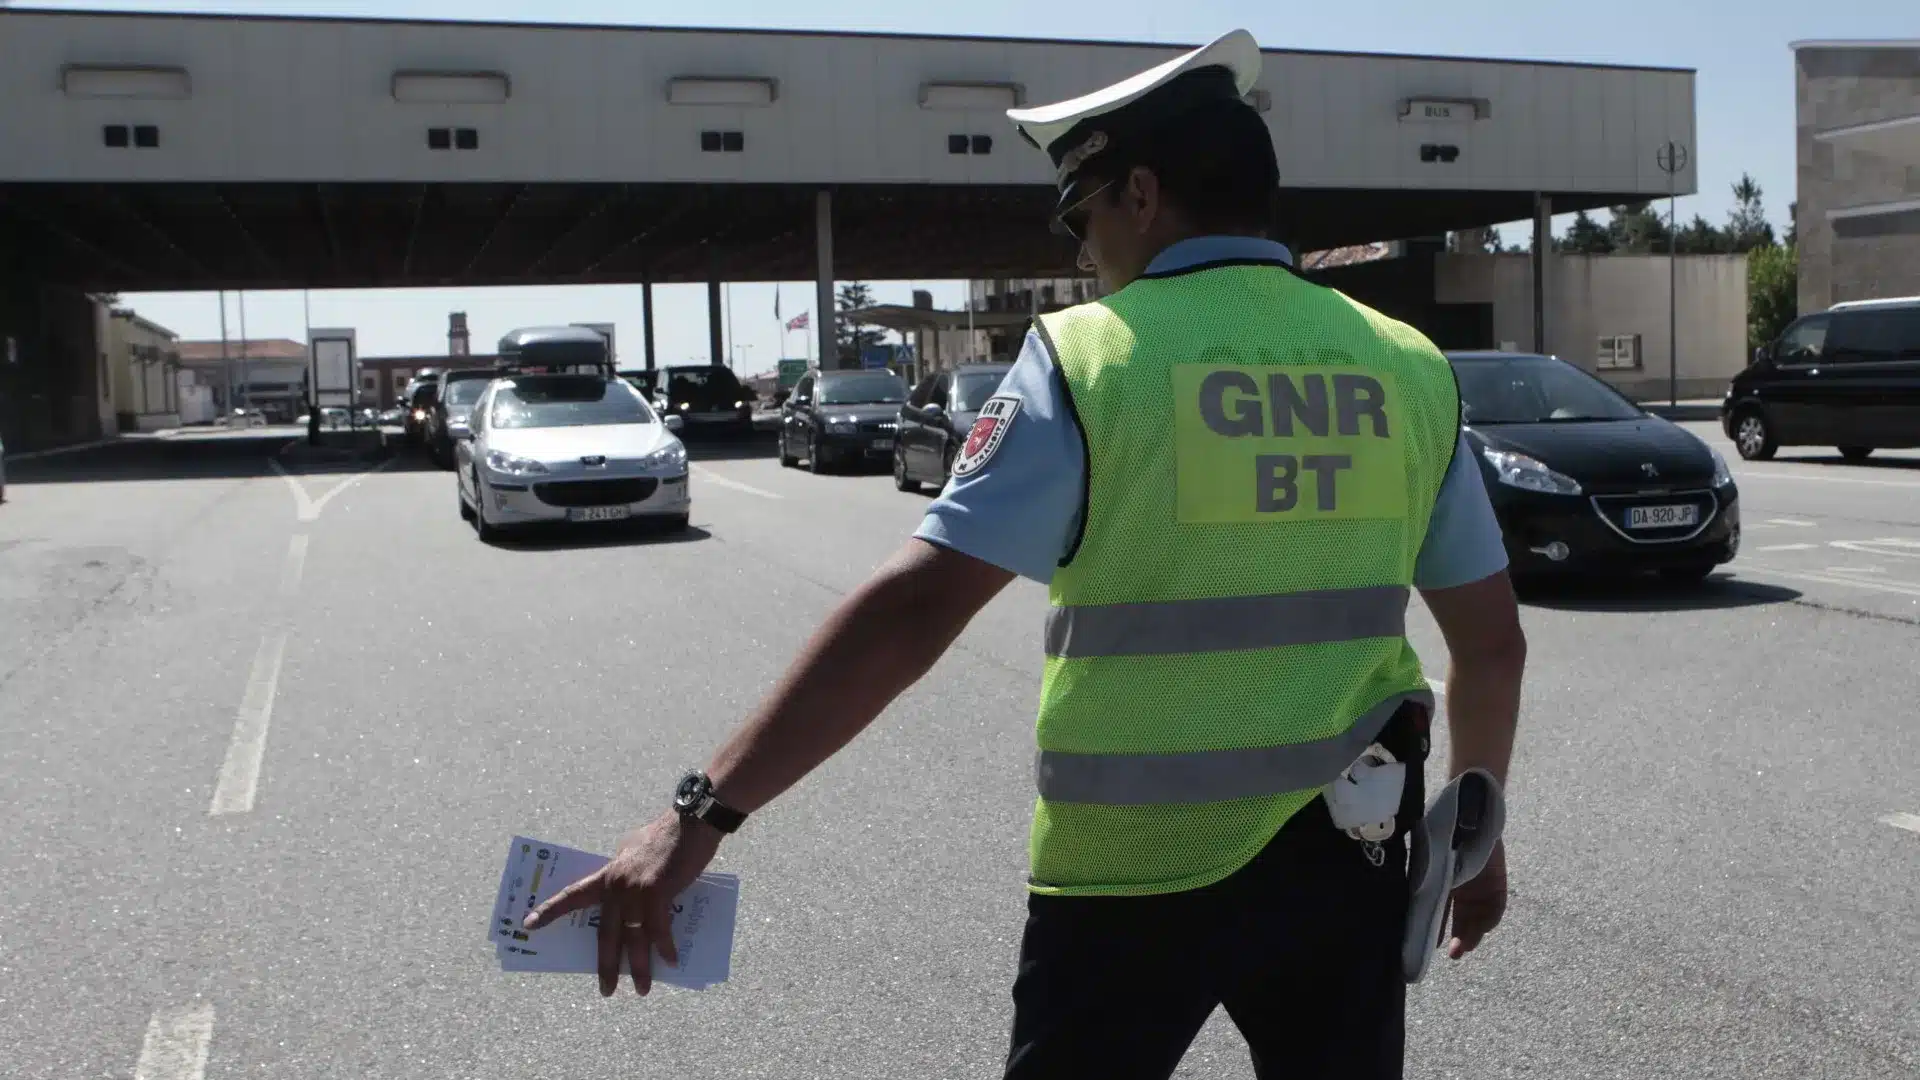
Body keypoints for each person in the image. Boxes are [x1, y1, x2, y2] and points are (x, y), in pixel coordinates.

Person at [525, 28, 1526, 1080]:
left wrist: (703, 811)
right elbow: (1491, 644)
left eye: (1084, 220)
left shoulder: (1092, 358)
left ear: (1141, 194)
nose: (1087, 256)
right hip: (1348, 855)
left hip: (1129, 878)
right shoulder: (1407, 366)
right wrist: (1478, 828)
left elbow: (915, 610)